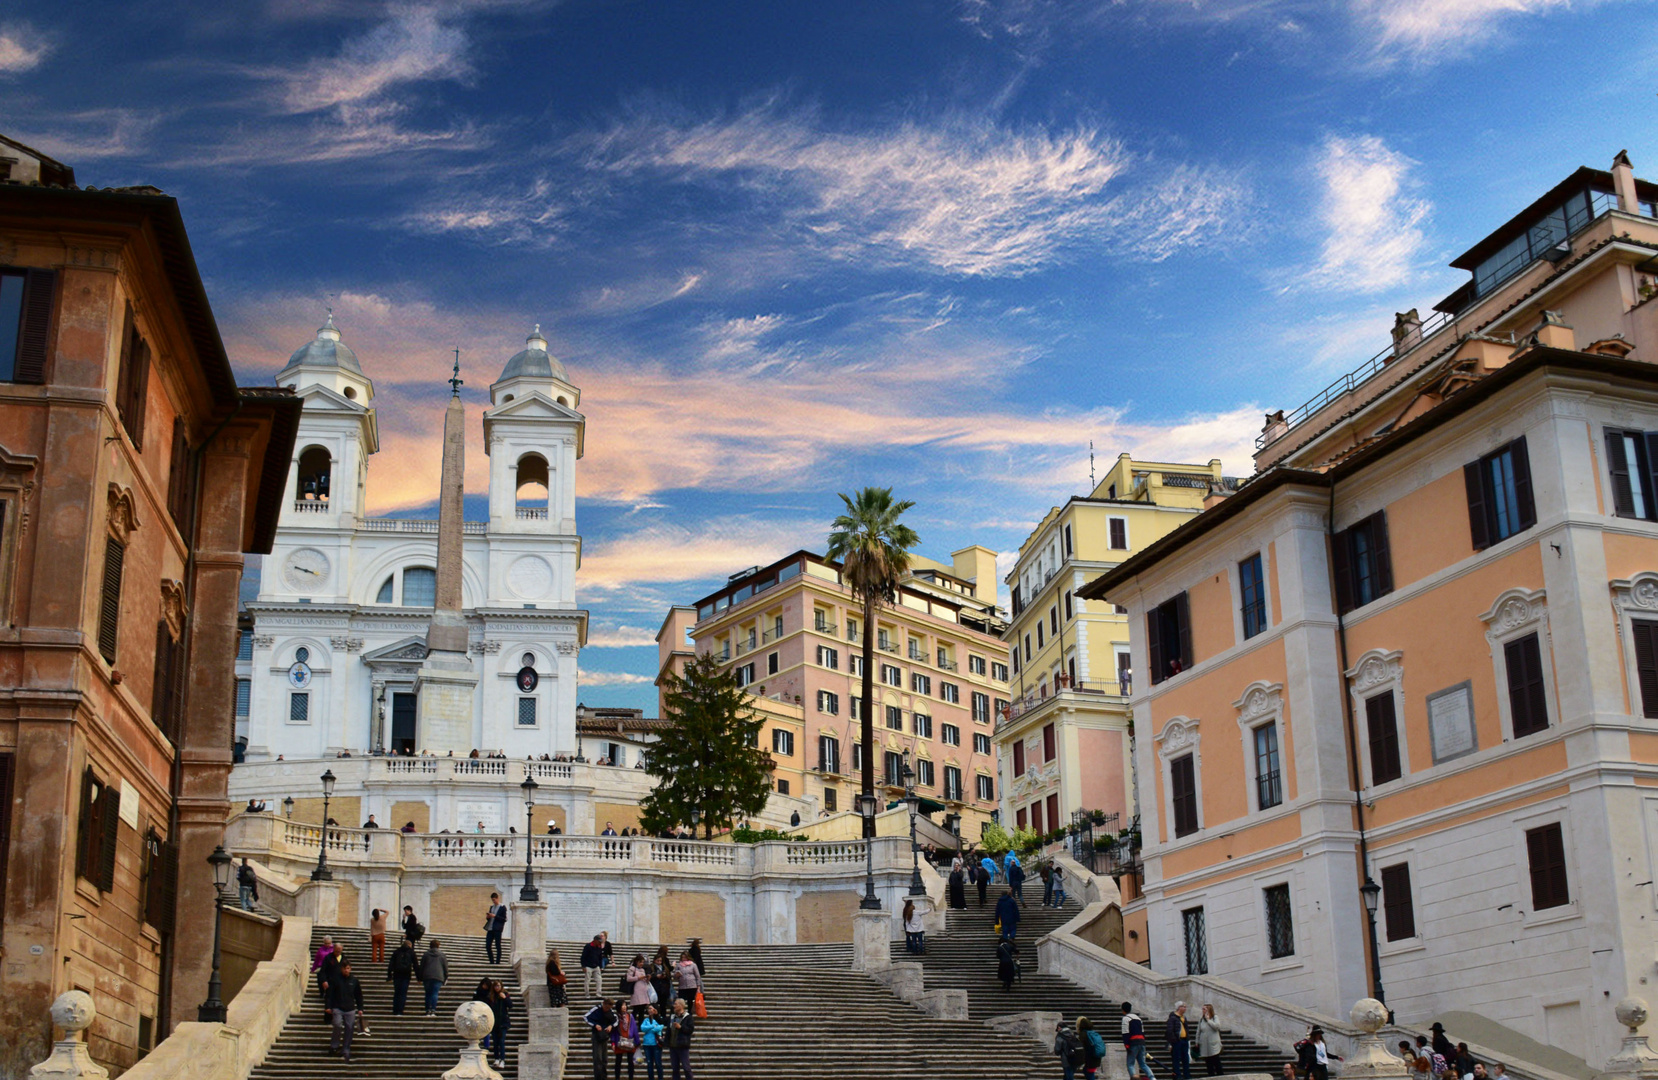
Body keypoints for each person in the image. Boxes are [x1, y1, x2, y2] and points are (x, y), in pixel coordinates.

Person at [326, 960, 364, 1061]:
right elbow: (330, 994)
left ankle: (346, 1049)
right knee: (337, 1024)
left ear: (350, 969)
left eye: (348, 968)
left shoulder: (354, 980)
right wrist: (328, 1006)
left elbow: (358, 996)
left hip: (350, 1008)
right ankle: (334, 1045)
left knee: (349, 1028)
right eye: (344, 968)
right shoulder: (335, 979)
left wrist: (360, 1008)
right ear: (341, 969)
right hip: (337, 1006)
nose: (346, 971)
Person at [585, 998, 617, 1080]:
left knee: (604, 1058)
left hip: (605, 1035)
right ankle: (598, 1077)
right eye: (606, 1007)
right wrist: (595, 1025)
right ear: (603, 1004)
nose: (607, 1009)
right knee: (598, 1057)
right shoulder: (596, 1009)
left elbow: (616, 1020)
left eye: (609, 1008)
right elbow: (586, 1017)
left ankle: (604, 1076)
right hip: (597, 1035)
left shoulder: (610, 1011)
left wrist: (611, 1026)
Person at [1122, 1002, 1154, 1080]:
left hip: (1133, 1042)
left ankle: (1134, 1078)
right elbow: (1142, 1031)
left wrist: (1126, 1045)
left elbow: (1125, 1032)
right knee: (1143, 1063)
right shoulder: (1138, 1018)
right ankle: (1152, 1078)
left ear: (1123, 1010)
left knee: (1130, 1064)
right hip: (1141, 1041)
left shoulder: (1126, 1018)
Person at [667, 997, 696, 1080]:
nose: (674, 1006)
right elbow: (664, 1022)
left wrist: (681, 1027)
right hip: (673, 1046)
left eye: (675, 1004)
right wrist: (656, 1015)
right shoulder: (672, 1017)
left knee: (686, 1068)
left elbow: (690, 1030)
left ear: (681, 1005)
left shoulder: (688, 1017)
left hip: (683, 1046)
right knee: (675, 1069)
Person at [387, 937, 416, 1015]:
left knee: (397, 992)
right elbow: (416, 965)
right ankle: (400, 1010)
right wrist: (418, 977)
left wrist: (389, 975)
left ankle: (395, 1010)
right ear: (410, 945)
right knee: (403, 993)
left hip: (397, 974)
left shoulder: (396, 952)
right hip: (406, 975)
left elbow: (391, 964)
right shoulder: (411, 952)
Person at [488, 980, 513, 1069]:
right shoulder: (491, 996)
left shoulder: (505, 994)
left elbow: (510, 1005)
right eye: (495, 986)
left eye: (498, 986)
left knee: (501, 1041)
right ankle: (496, 1058)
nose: (497, 988)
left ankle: (502, 1059)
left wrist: (505, 998)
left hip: (503, 1022)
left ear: (501, 986)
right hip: (494, 1022)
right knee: (495, 1042)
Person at [419, 939, 448, 1016]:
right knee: (435, 993)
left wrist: (420, 977)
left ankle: (427, 1010)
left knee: (428, 993)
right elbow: (445, 967)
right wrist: (446, 977)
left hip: (427, 976)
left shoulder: (426, 954)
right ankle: (433, 1010)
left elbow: (422, 966)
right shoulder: (442, 955)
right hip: (438, 976)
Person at [612, 1002, 639, 1080]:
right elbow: (613, 1031)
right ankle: (617, 1077)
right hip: (619, 1041)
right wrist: (613, 1042)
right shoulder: (616, 1017)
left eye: (625, 1005)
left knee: (630, 1062)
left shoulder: (630, 1016)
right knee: (618, 1062)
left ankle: (631, 1077)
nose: (624, 1007)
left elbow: (634, 1029)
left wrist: (637, 1041)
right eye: (622, 1005)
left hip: (629, 1041)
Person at [639, 1005, 666, 1080]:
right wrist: (652, 1027)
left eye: (651, 1008)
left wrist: (651, 1029)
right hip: (647, 1044)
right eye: (649, 1009)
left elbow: (660, 1027)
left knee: (658, 1063)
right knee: (649, 1064)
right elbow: (642, 1028)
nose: (650, 1010)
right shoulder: (646, 1020)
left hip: (656, 1044)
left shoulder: (659, 1019)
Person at [1166, 1003, 1192, 1080]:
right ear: (1179, 1008)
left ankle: (1187, 1075)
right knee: (1176, 1059)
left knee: (1185, 1058)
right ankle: (1177, 1075)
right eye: (1183, 1007)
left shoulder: (1184, 1017)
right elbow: (1170, 1030)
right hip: (1177, 1041)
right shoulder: (1173, 1018)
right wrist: (1174, 1040)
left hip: (1184, 1040)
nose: (1185, 1008)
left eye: (1185, 1007)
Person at [1197, 1004, 1223, 1076]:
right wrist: (1197, 1041)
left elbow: (1217, 1027)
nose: (1202, 1011)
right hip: (1205, 1045)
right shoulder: (1201, 1020)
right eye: (1202, 1009)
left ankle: (1220, 1076)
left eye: (1204, 1009)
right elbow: (1198, 1031)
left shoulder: (1215, 1017)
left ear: (1209, 1010)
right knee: (1208, 1063)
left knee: (1216, 1062)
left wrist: (1208, 1020)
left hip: (1213, 1045)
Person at [1079, 1016, 1108, 1080]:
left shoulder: (1084, 1034)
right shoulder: (1093, 1033)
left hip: (1090, 1057)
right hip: (1096, 1056)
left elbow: (1083, 1046)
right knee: (1088, 1072)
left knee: (1089, 1074)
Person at [648, 946, 672, 1015]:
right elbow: (649, 976)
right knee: (654, 1005)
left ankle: (663, 1018)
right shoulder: (651, 967)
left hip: (663, 989)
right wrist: (656, 976)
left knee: (663, 1006)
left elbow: (669, 977)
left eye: (660, 961)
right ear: (654, 960)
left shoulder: (664, 967)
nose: (659, 962)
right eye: (658, 961)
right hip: (655, 988)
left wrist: (664, 976)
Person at [484, 892, 507, 964]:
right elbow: (490, 918)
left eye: (494, 900)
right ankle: (491, 961)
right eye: (492, 900)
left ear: (497, 898)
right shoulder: (491, 907)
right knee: (488, 945)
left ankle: (497, 962)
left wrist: (495, 916)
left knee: (497, 945)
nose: (493, 901)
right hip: (490, 928)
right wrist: (488, 917)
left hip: (497, 929)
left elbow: (504, 919)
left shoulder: (502, 907)